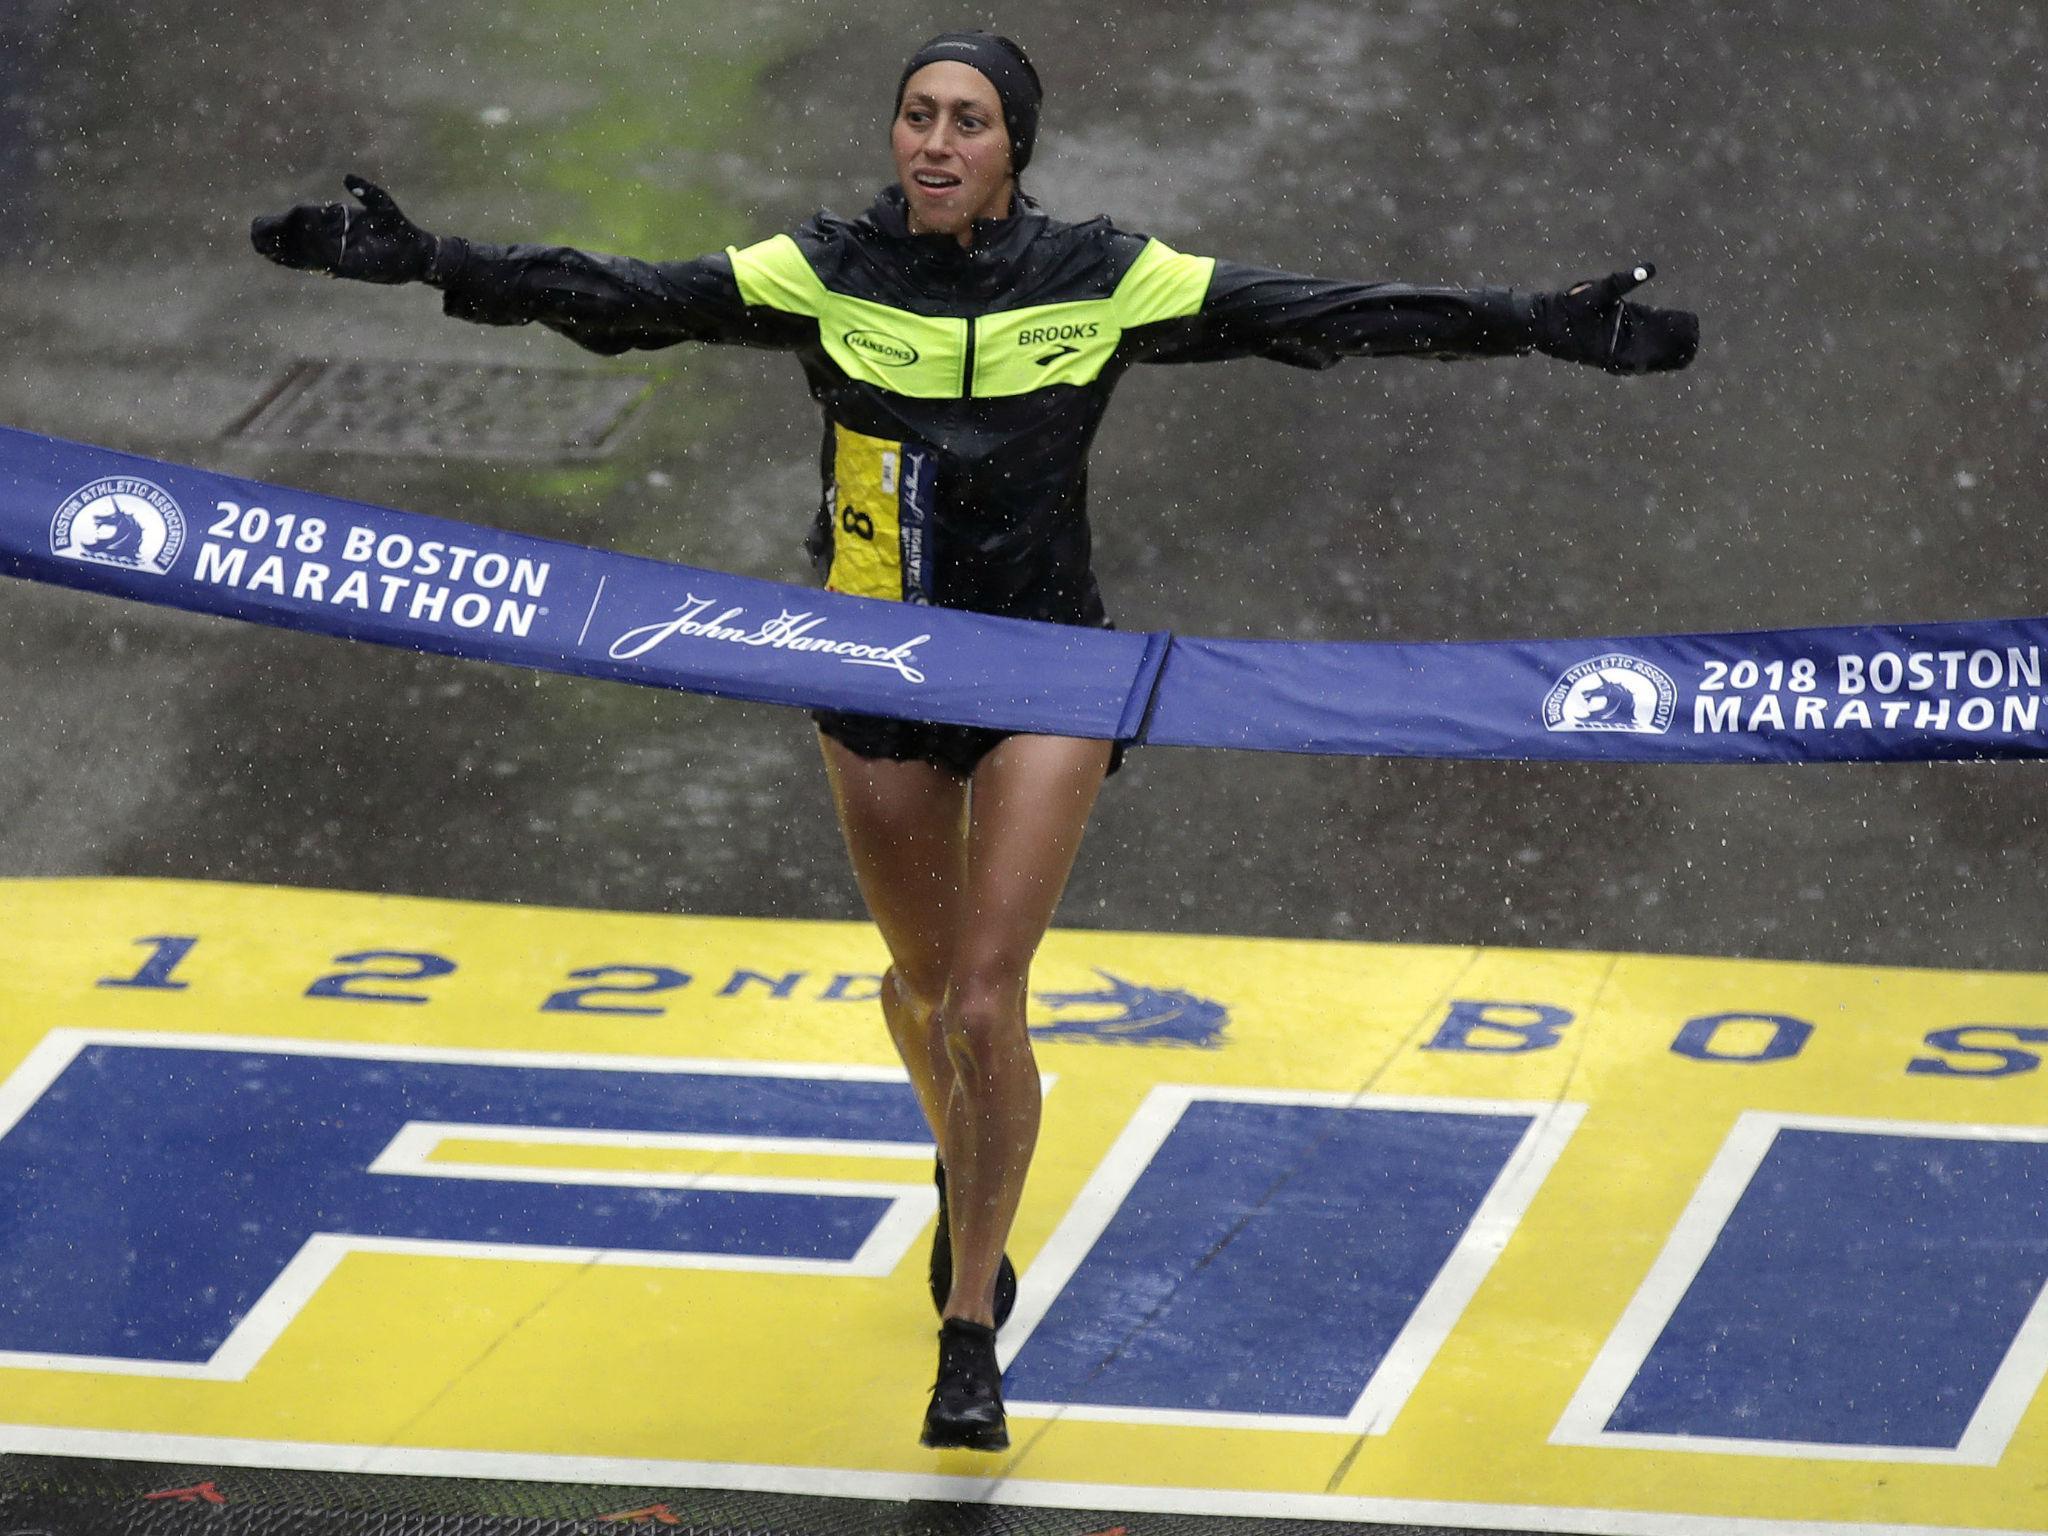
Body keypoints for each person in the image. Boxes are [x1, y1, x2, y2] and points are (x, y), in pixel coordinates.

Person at [251, 29, 1697, 1452]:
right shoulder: (826, 270)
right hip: (872, 660)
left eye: (968, 122)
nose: (936, 143)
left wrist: (1528, 319)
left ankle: (969, 1338)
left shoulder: (1103, 277)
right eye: (918, 116)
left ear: (1016, 151)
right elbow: (628, 296)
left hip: (1043, 670)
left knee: (985, 1006)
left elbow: (1312, 313)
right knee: (925, 989)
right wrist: (432, 258)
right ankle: (970, 1161)